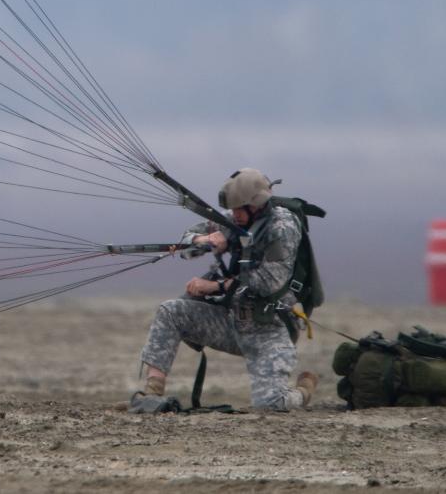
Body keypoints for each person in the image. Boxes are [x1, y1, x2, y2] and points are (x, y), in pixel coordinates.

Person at [131, 168, 318, 412]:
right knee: (170, 311)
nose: (235, 215)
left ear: (257, 205)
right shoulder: (233, 218)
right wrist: (203, 241)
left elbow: (268, 282)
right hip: (230, 322)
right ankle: (152, 394)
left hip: (269, 329)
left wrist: (215, 286)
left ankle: (304, 390)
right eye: (233, 209)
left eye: (240, 210)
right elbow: (187, 242)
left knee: (269, 405)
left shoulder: (282, 227)